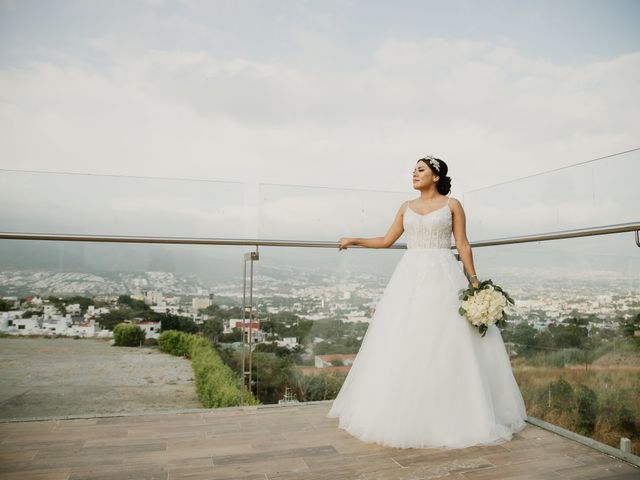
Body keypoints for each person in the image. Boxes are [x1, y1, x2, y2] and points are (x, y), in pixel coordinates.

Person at [326, 155, 527, 449]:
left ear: (436, 176)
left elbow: (463, 244)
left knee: (448, 342)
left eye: (420, 170)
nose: (414, 174)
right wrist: (354, 239)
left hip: (444, 276)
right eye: (413, 170)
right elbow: (386, 240)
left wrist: (474, 281)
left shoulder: (452, 205)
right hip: (409, 278)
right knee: (407, 339)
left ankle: (456, 412)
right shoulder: (405, 207)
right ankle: (406, 412)